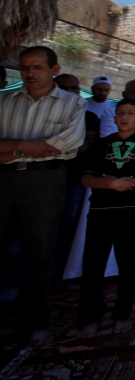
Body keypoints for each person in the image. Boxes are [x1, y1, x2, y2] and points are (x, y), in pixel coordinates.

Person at [0, 46, 86, 344]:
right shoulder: (5, 100)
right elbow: (43, 146)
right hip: (4, 178)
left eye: (37, 67)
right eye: (25, 67)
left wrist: (9, 147)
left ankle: (32, 321)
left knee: (40, 252)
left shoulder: (72, 104)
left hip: (44, 180)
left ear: (54, 69)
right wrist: (30, 146)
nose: (30, 73)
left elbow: (66, 143)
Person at [78, 98, 135, 337]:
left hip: (133, 210)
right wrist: (111, 184)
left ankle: (122, 313)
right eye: (121, 113)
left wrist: (128, 183)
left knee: (128, 265)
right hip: (101, 211)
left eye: (130, 113)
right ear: (114, 117)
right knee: (93, 265)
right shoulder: (101, 145)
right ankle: (90, 316)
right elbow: (86, 178)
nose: (125, 117)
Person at [53, 74, 100, 287]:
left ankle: (61, 274)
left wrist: (44, 147)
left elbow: (83, 147)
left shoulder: (89, 117)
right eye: (64, 87)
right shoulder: (44, 112)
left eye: (74, 88)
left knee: (67, 227)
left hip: (74, 181)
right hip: (39, 176)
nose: (70, 92)